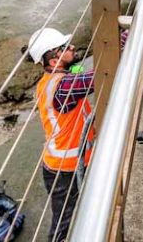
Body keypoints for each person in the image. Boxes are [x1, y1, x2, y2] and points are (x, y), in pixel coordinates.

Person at [27, 28, 95, 242]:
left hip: (69, 164)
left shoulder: (57, 79)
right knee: (64, 224)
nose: (73, 47)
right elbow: (99, 76)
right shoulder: (63, 88)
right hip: (64, 169)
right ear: (53, 61)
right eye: (65, 48)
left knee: (73, 214)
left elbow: (81, 73)